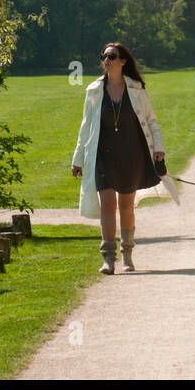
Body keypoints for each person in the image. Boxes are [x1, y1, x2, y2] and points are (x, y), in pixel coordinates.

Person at [71, 42, 179, 274]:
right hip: (102, 155)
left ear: (123, 61)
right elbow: (85, 127)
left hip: (131, 153)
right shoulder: (93, 90)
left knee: (126, 205)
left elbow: (152, 121)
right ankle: (108, 258)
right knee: (107, 205)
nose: (106, 60)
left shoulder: (137, 89)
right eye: (104, 56)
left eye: (112, 56)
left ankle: (127, 254)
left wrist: (158, 148)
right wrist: (77, 158)